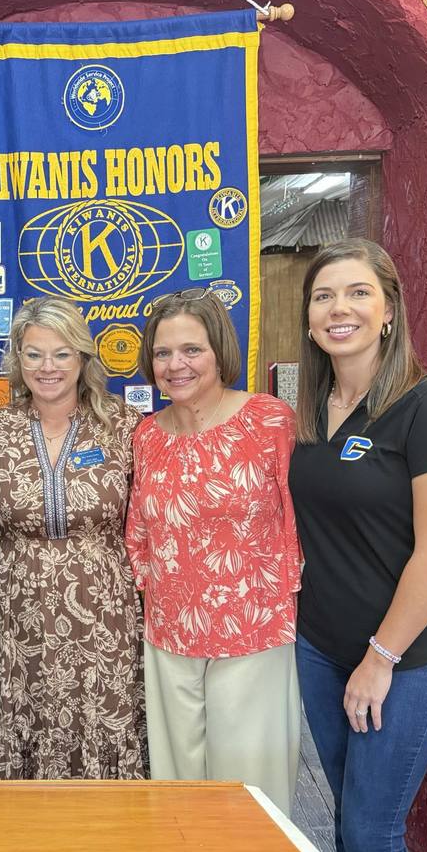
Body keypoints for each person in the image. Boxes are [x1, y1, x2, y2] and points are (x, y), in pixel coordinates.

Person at [288, 239, 427, 852]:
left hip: (401, 664)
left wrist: (380, 658)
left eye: (358, 292)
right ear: (309, 316)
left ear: (389, 309)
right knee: (343, 828)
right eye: (324, 295)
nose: (340, 309)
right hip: (322, 652)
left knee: (373, 841)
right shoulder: (315, 405)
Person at [125, 288, 302, 814]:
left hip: (254, 630)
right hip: (170, 631)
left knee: (252, 787)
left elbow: (299, 517)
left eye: (191, 350)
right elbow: (139, 532)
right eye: (162, 353)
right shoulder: (147, 436)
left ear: (219, 351)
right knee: (177, 786)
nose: (175, 364)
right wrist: (154, 594)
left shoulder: (269, 421)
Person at [0, 296, 146, 780]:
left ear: (83, 358)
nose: (48, 367)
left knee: (103, 717)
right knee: (20, 714)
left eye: (62, 353)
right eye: (34, 354)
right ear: (17, 359)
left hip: (105, 613)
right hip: (16, 611)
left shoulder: (124, 426)